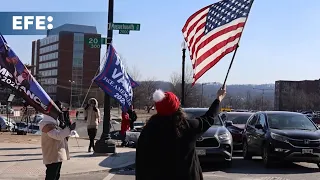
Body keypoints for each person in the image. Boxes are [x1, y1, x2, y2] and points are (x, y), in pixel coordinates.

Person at [135, 86, 227, 180]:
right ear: (177, 108)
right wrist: (218, 99)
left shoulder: (148, 131)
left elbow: (140, 164)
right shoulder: (187, 127)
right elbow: (209, 117)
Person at [39, 102, 76, 180]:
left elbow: (63, 135)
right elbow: (58, 136)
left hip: (57, 154)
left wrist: (67, 128)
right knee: (51, 176)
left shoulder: (56, 122)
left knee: (56, 175)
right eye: (58, 108)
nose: (60, 111)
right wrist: (69, 129)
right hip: (52, 155)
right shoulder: (46, 124)